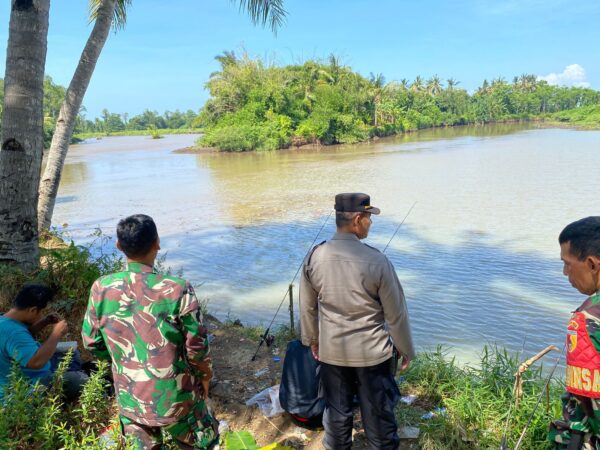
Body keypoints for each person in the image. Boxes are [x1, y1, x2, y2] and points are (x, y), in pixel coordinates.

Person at [82, 214, 218, 450]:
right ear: (157, 243)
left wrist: (123, 363)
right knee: (199, 443)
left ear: (119, 246)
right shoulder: (177, 289)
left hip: (131, 397)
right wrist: (205, 377)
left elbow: (92, 342)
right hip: (179, 398)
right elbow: (197, 347)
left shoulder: (101, 287)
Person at [299, 193, 415, 450]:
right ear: (358, 219)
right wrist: (406, 349)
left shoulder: (314, 257)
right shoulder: (378, 261)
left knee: (337, 418)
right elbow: (396, 315)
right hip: (372, 356)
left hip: (332, 354)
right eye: (369, 218)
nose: (371, 223)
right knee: (379, 422)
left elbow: (307, 307)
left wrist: (313, 341)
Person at [549, 217, 600, 449]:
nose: (564, 272)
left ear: (592, 264)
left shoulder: (587, 321)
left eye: (568, 263)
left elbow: (590, 405)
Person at [0, 284, 87, 402]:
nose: (41, 315)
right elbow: (36, 362)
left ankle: (73, 371)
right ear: (33, 310)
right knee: (79, 380)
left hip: (17, 375)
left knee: (73, 354)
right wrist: (56, 333)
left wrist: (44, 322)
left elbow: (20, 340)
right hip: (26, 388)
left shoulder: (5, 321)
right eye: (41, 312)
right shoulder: (14, 333)